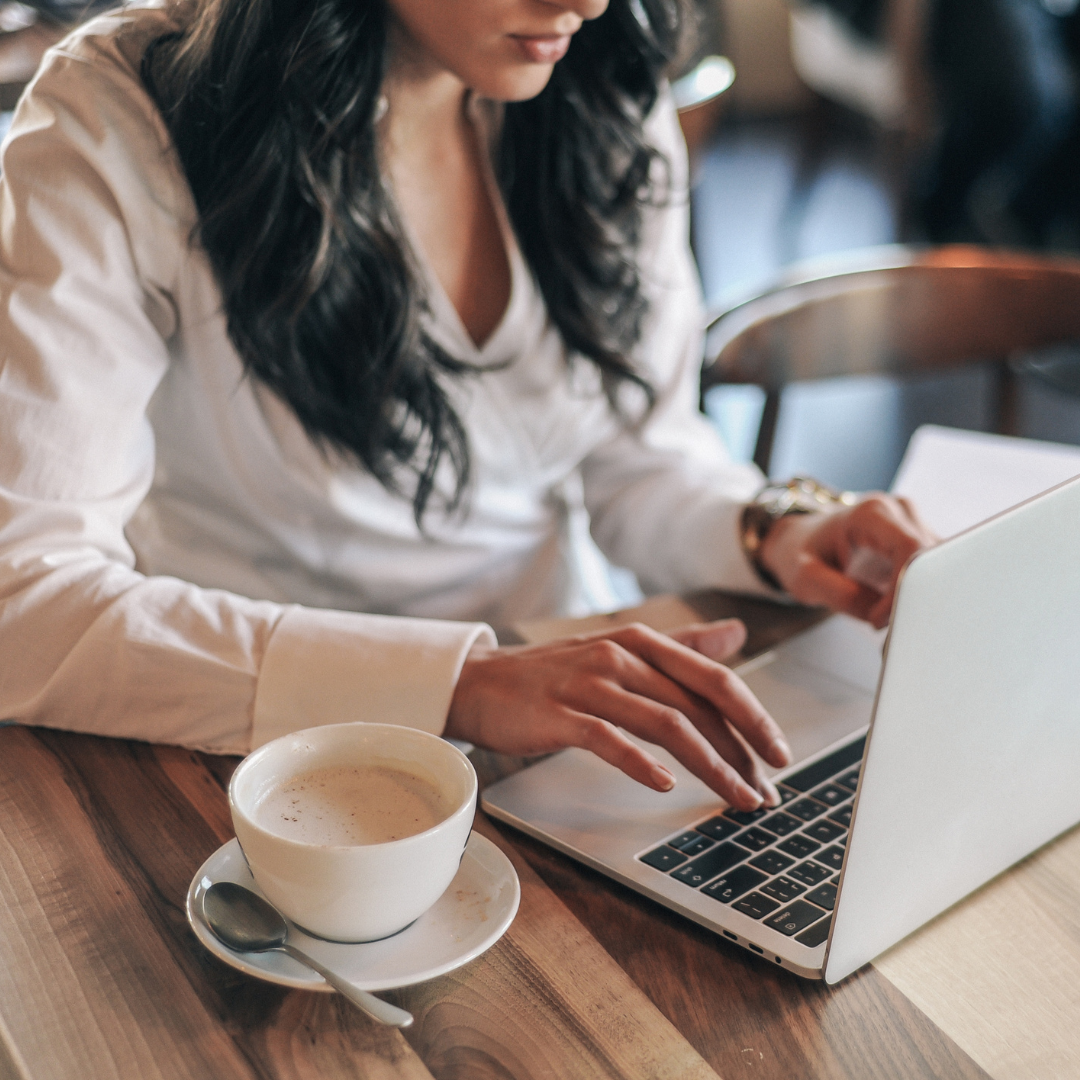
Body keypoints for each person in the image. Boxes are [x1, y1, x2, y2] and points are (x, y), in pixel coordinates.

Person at [0, 0, 932, 815]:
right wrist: (457, 683)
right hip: (263, 761)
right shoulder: (120, 116)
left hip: (578, 722)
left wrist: (773, 527)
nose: (590, 3)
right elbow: (26, 604)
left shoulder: (598, 87)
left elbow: (634, 455)